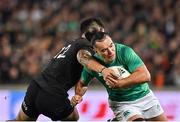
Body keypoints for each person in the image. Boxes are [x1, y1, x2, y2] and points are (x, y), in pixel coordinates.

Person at [15, 17, 116, 121]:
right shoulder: (86, 44)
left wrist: (78, 94)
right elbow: (83, 57)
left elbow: (81, 79)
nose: (103, 38)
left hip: (35, 86)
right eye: (102, 34)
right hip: (52, 93)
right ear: (95, 31)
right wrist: (103, 70)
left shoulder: (73, 44)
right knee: (73, 117)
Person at [71, 31, 168, 121]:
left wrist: (121, 83)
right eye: (104, 50)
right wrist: (78, 95)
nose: (110, 51)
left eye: (111, 45)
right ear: (96, 51)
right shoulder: (93, 65)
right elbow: (82, 83)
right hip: (122, 103)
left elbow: (145, 75)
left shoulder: (125, 52)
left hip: (145, 96)